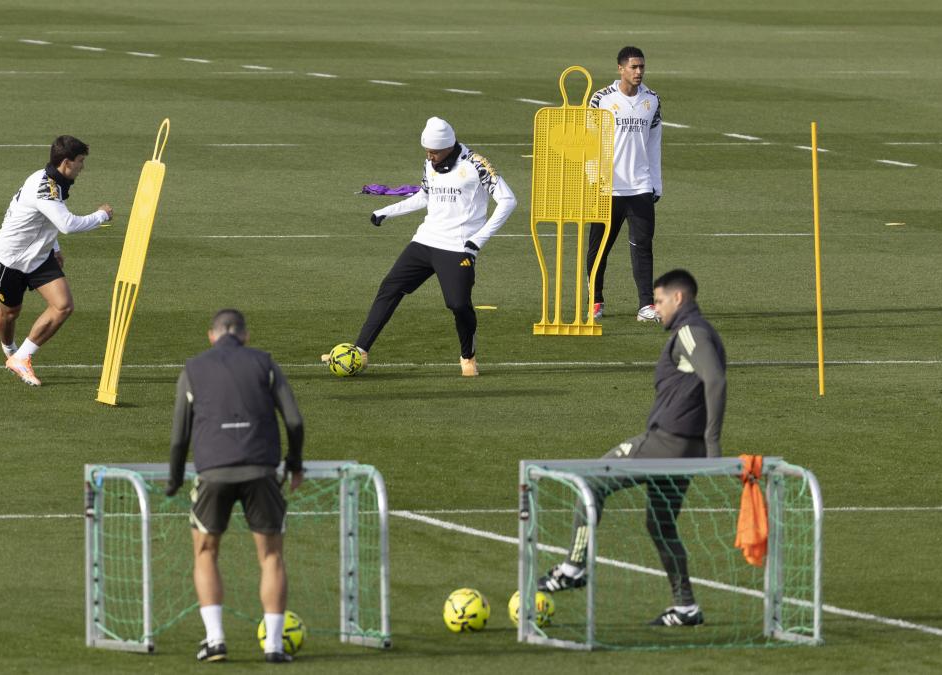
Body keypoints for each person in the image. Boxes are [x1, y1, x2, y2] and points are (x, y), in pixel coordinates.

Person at [537, 269, 725, 626]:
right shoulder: (698, 332)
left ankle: (574, 567)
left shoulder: (690, 331)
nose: (656, 308)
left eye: (659, 301)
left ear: (679, 298)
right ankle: (686, 606)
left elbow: (714, 379)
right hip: (685, 449)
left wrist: (714, 445)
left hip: (666, 444)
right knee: (661, 524)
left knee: (591, 481)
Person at [166, 309, 305, 663]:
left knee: (206, 552)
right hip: (261, 469)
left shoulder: (193, 368)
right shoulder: (265, 363)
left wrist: (176, 476)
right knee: (272, 556)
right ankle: (274, 646)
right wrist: (295, 463)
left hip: (213, 472)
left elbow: (180, 435)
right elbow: (294, 420)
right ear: (244, 335)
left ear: (211, 335)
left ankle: (215, 641)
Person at [329, 117, 516, 377]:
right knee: (390, 287)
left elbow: (508, 201)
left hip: (458, 247)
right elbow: (425, 196)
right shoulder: (430, 163)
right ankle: (360, 350)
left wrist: (477, 241)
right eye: (427, 151)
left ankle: (468, 357)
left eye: (435, 151)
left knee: (458, 305)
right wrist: (387, 211)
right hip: (425, 241)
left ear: (449, 145)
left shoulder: (476, 164)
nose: (430, 156)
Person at [0, 135, 113, 386]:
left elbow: (45, 219)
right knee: (10, 313)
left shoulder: (56, 181)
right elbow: (66, 224)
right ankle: (10, 349)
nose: (82, 167)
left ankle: (22, 357)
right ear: (66, 162)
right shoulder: (45, 187)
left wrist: (53, 246)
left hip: (39, 258)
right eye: (80, 161)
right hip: (8, 259)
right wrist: (101, 215)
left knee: (63, 306)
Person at [585, 46, 663, 323]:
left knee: (643, 246)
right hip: (608, 187)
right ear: (620, 68)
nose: (639, 71)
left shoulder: (652, 100)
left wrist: (656, 182)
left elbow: (654, 143)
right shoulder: (601, 99)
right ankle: (595, 300)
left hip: (640, 186)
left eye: (642, 66)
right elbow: (589, 143)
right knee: (598, 248)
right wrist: (594, 180)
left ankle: (646, 305)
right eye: (633, 67)